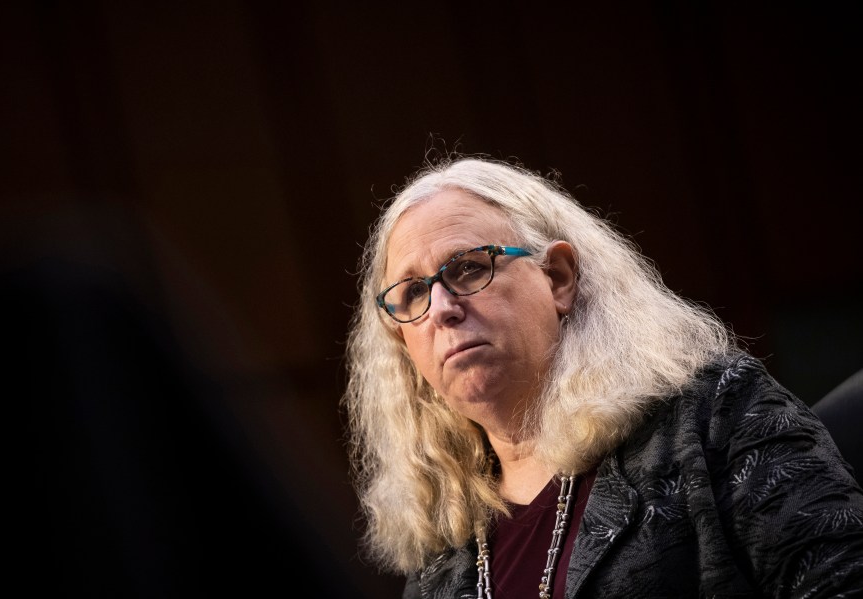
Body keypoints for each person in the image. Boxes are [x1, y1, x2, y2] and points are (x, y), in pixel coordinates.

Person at [341, 154, 863, 598]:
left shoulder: (712, 416)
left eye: (469, 267)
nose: (440, 308)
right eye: (411, 293)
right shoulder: (439, 562)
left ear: (558, 278)